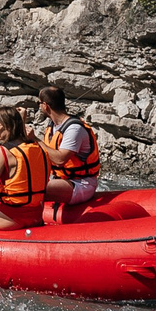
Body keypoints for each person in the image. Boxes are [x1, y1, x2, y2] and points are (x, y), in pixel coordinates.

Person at [36, 84, 103, 222]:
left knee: (33, 188)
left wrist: (35, 140)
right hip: (60, 179)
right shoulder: (53, 126)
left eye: (39, 103)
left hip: (81, 183)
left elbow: (60, 159)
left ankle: (31, 222)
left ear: (45, 106)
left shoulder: (74, 129)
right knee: (27, 182)